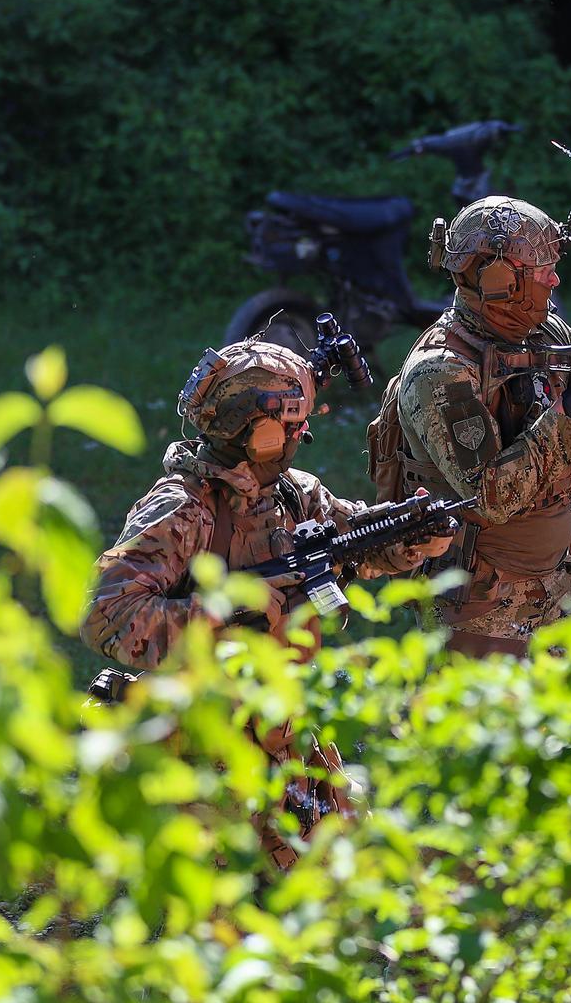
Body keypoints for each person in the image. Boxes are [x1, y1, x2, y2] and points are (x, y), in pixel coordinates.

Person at [80, 338, 453, 870]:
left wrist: (411, 534)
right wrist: (227, 612)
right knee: (222, 897)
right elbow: (106, 614)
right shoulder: (184, 510)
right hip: (208, 741)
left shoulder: (292, 495)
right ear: (253, 428)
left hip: (284, 728)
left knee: (336, 873)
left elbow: (352, 539)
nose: (302, 436)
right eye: (292, 425)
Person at [382, 195, 571, 656]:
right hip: (484, 603)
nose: (554, 279)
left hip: (556, 582)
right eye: (541, 271)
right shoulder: (441, 373)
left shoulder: (543, 332)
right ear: (499, 282)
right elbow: (489, 498)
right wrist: (568, 420)